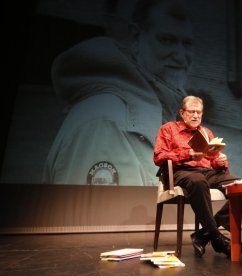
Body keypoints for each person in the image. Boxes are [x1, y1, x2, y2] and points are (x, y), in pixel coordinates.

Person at [43, 0, 193, 185]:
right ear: (136, 36)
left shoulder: (151, 115)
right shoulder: (107, 123)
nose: (180, 55)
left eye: (187, 43)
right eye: (167, 40)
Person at [153, 96, 242, 257]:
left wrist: (221, 161)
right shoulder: (168, 129)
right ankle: (216, 237)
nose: (195, 116)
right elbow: (159, 157)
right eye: (191, 112)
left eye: (199, 112)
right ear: (182, 113)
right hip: (181, 172)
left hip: (208, 173)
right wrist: (187, 154)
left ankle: (204, 233)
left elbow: (214, 162)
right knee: (198, 181)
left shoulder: (206, 132)